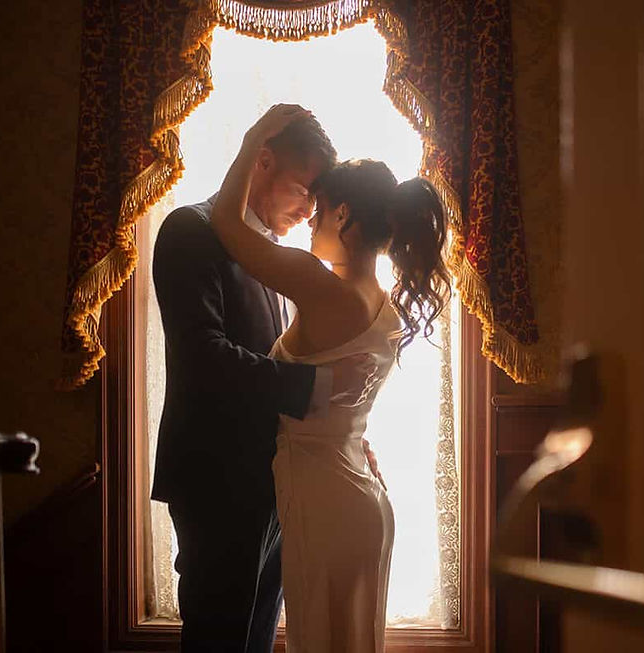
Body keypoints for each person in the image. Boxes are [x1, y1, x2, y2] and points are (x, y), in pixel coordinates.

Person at [210, 104, 451, 652]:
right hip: (363, 498)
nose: (309, 221)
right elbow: (344, 406)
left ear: (343, 215)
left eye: (318, 211)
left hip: (325, 502)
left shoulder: (320, 285)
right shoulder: (384, 305)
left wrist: (255, 137)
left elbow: (225, 223)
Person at [151, 111, 380, 652]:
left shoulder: (274, 256)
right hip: (218, 482)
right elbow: (204, 358)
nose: (308, 211)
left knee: (256, 640)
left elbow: (281, 353)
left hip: (278, 481)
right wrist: (319, 386)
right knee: (218, 640)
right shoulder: (190, 231)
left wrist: (342, 431)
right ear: (262, 161)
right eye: (302, 190)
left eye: (316, 200)